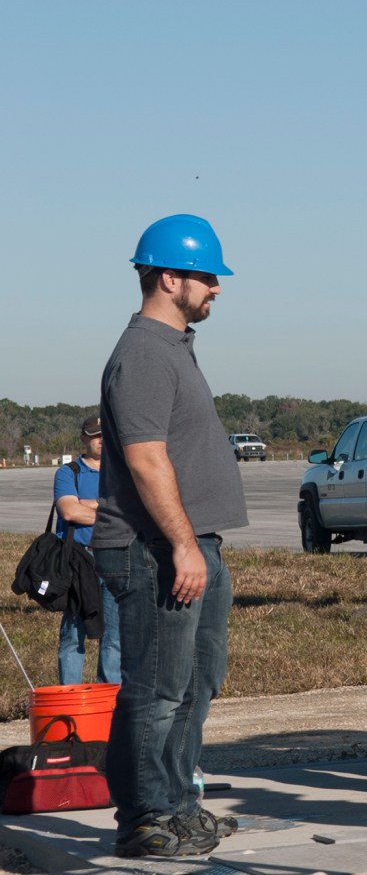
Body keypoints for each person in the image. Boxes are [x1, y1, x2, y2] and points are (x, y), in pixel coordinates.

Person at [94, 215, 248, 859]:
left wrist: (197, 544)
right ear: (167, 278)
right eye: (206, 277)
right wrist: (183, 545)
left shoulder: (175, 347)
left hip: (190, 544)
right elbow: (146, 458)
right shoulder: (144, 354)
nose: (215, 289)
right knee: (156, 688)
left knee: (196, 682)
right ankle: (144, 817)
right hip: (151, 548)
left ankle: (180, 805)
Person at [54, 415, 120, 685]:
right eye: (95, 435)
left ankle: (110, 700)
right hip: (78, 562)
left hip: (115, 558)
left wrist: (90, 504)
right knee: (73, 635)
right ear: (83, 438)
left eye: (106, 434)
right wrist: (112, 509)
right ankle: (70, 698)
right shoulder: (69, 473)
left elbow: (135, 510)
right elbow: (69, 510)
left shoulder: (122, 473)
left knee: (115, 637)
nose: (102, 440)